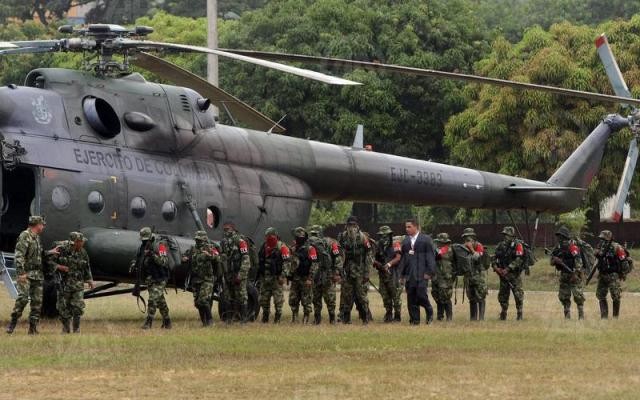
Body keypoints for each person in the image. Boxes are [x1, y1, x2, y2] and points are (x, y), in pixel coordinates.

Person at [6, 216, 48, 335]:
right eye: (42, 224)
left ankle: (32, 328)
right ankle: (12, 324)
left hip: (37, 275)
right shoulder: (25, 236)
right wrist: (21, 273)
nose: (43, 226)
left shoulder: (37, 238)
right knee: (23, 298)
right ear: (37, 224)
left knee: (37, 302)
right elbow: (19, 255)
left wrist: (51, 252)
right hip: (26, 274)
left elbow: (39, 255)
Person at [48, 232, 94, 333]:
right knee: (63, 308)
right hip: (64, 284)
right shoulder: (61, 249)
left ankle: (76, 329)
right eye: (81, 242)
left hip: (78, 284)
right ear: (76, 242)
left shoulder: (83, 252)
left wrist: (90, 279)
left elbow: (87, 266)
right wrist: (59, 267)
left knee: (78, 307)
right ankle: (66, 328)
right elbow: (49, 262)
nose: (83, 244)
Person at [337, 216, 373, 324]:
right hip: (347, 272)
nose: (351, 227)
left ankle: (365, 317)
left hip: (359, 271)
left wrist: (367, 273)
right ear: (346, 226)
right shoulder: (342, 237)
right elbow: (339, 254)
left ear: (357, 226)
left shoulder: (363, 238)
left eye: (353, 225)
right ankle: (345, 318)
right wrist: (339, 270)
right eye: (349, 225)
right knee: (346, 295)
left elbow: (369, 255)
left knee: (361, 296)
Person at [400, 218, 436, 325]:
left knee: (421, 295)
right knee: (411, 298)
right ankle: (415, 320)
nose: (407, 229)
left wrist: (429, 272)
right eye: (406, 227)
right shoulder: (406, 241)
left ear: (416, 227)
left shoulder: (425, 239)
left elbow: (430, 257)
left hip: (422, 274)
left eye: (409, 227)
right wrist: (402, 275)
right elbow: (403, 259)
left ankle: (429, 311)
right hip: (410, 274)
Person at [135, 227, 172, 330]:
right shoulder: (142, 247)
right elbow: (140, 259)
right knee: (160, 301)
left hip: (161, 277)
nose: (145, 241)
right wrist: (135, 264)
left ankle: (148, 322)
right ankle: (167, 321)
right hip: (151, 278)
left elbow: (164, 262)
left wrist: (152, 255)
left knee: (152, 300)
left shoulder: (160, 246)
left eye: (146, 239)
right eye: (143, 240)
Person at [183, 230, 221, 327]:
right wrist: (184, 258)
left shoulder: (210, 248)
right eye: (196, 239)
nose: (197, 241)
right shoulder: (193, 249)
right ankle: (204, 323)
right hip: (196, 280)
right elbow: (184, 256)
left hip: (207, 279)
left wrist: (210, 256)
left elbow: (218, 258)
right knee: (197, 303)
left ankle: (210, 321)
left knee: (203, 300)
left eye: (199, 240)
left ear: (204, 240)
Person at [308, 225, 342, 324]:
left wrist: (336, 273)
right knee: (323, 297)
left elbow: (337, 258)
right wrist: (336, 273)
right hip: (324, 274)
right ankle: (326, 319)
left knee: (322, 297)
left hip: (322, 274)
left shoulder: (312, 244)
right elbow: (338, 258)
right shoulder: (332, 243)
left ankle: (323, 319)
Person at [594, 230, 631, 319]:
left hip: (613, 275)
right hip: (603, 274)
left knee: (615, 295)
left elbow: (624, 261)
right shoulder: (600, 247)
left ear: (608, 238)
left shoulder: (617, 247)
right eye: (601, 239)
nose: (601, 240)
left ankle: (615, 317)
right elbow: (597, 259)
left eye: (603, 239)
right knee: (600, 294)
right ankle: (604, 317)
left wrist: (624, 273)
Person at [550, 226, 585, 319]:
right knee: (564, 296)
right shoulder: (557, 248)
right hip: (564, 275)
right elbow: (551, 262)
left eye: (560, 236)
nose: (559, 238)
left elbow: (578, 261)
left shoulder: (573, 247)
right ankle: (567, 316)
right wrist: (555, 260)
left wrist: (576, 273)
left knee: (578, 296)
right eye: (558, 236)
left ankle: (581, 316)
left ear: (565, 236)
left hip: (574, 274)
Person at [257, 227, 291, 323]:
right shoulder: (264, 246)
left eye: (269, 236)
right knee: (264, 299)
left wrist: (283, 276)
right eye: (266, 236)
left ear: (274, 236)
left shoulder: (282, 247)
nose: (267, 238)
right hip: (265, 278)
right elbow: (260, 260)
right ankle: (265, 316)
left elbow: (287, 262)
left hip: (277, 278)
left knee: (278, 300)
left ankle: (277, 317)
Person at [220, 221, 251, 323]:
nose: (225, 232)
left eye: (227, 229)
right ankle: (229, 318)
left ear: (233, 229)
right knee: (228, 296)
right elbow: (223, 258)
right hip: (228, 274)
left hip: (239, 273)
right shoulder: (223, 242)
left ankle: (244, 319)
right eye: (224, 230)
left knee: (241, 296)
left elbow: (246, 259)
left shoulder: (240, 241)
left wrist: (241, 275)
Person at [493, 226, 526, 321]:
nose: (504, 237)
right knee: (503, 295)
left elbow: (519, 259)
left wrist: (508, 269)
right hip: (503, 275)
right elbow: (494, 258)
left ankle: (519, 313)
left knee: (518, 294)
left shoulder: (517, 245)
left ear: (512, 236)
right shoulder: (500, 245)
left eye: (506, 235)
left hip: (514, 275)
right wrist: (496, 268)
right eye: (504, 235)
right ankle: (503, 313)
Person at [289, 227, 318, 323]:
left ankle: (306, 317)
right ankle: (294, 316)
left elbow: (314, 264)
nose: (299, 239)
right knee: (293, 298)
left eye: (300, 237)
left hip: (306, 278)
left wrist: (310, 278)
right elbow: (290, 263)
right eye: (297, 237)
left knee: (306, 299)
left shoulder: (310, 249)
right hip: (296, 277)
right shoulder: (293, 249)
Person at [374, 225, 402, 323]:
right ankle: (388, 314)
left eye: (385, 236)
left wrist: (389, 264)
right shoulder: (379, 245)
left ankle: (397, 316)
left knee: (396, 296)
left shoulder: (395, 244)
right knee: (385, 296)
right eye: (381, 236)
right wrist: (376, 263)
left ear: (390, 235)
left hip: (394, 274)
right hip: (382, 275)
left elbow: (398, 258)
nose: (383, 238)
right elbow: (375, 259)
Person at [460, 228, 489, 321]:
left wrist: (472, 249)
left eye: (469, 238)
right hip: (469, 277)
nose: (467, 240)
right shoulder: (463, 248)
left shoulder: (479, 246)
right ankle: (473, 317)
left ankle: (481, 318)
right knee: (471, 298)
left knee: (480, 297)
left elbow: (479, 259)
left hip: (479, 277)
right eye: (465, 238)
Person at [432, 233, 455, 321]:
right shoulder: (439, 249)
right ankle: (440, 315)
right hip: (437, 277)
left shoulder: (447, 249)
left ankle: (449, 317)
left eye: (440, 242)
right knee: (436, 295)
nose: (438, 243)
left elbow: (439, 254)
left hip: (446, 278)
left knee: (445, 296)